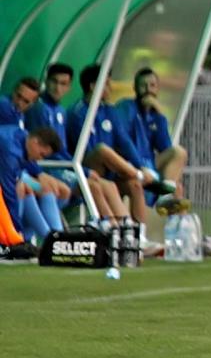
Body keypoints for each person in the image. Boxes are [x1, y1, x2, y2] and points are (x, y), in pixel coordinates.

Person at [66, 64, 165, 240]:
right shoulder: (78, 113)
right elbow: (88, 150)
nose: (110, 88)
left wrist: (139, 165)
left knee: (135, 185)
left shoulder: (109, 110)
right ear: (93, 86)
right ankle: (140, 174)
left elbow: (124, 141)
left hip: (110, 172)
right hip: (88, 170)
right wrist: (136, 171)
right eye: (106, 83)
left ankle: (139, 237)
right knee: (102, 149)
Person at [25, 63, 130, 224]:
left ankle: (125, 228)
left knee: (109, 185)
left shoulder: (60, 110)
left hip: (62, 167)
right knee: (92, 186)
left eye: (63, 84)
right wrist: (85, 171)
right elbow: (49, 151)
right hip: (47, 168)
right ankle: (111, 229)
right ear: (46, 81)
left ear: (69, 87)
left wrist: (84, 170)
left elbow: (61, 149)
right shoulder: (40, 109)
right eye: (54, 82)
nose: (58, 88)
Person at [0, 76, 69, 242]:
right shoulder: (4, 107)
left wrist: (39, 173)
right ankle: (43, 238)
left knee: (56, 189)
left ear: (32, 103)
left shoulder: (21, 119)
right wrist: (37, 173)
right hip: (10, 170)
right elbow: (12, 159)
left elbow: (24, 149)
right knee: (23, 187)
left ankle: (50, 237)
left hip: (16, 169)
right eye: (18, 96)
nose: (19, 102)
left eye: (26, 101)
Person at [115, 67, 189, 214]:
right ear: (135, 88)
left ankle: (166, 201)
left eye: (152, 85)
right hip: (131, 166)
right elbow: (123, 143)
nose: (148, 90)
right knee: (176, 189)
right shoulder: (126, 107)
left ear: (157, 88)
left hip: (150, 165)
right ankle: (169, 210)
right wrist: (140, 166)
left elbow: (166, 148)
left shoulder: (155, 115)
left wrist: (160, 114)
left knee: (179, 153)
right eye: (143, 86)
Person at [0, 125, 62, 260]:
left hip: (15, 174)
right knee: (21, 188)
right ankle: (22, 239)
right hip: (9, 177)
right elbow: (9, 192)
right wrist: (16, 228)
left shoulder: (24, 137)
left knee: (46, 188)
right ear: (35, 142)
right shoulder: (11, 151)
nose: (40, 159)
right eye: (41, 155)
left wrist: (40, 174)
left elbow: (25, 164)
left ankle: (55, 238)